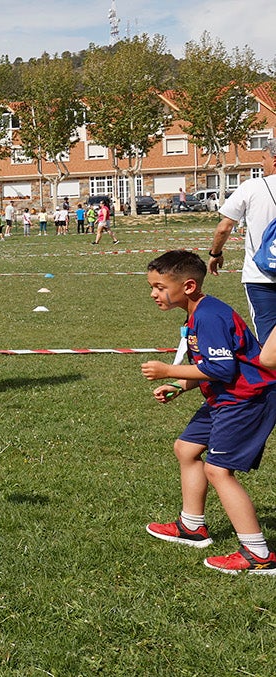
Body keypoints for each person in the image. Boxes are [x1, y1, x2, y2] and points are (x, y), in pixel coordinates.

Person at [142, 250, 276, 574]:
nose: (154, 294)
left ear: (188, 286)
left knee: (218, 470)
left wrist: (168, 371)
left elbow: (222, 368)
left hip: (247, 399)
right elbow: (211, 366)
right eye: (152, 287)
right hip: (224, 396)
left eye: (160, 287)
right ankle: (192, 526)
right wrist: (180, 386)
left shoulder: (210, 316)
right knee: (186, 449)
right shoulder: (196, 315)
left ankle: (258, 554)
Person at [205, 139, 276, 343]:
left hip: (260, 276)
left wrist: (215, 254)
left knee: (268, 338)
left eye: (263, 158)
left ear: (274, 160)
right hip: (260, 278)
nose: (261, 163)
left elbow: (224, 227)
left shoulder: (251, 187)